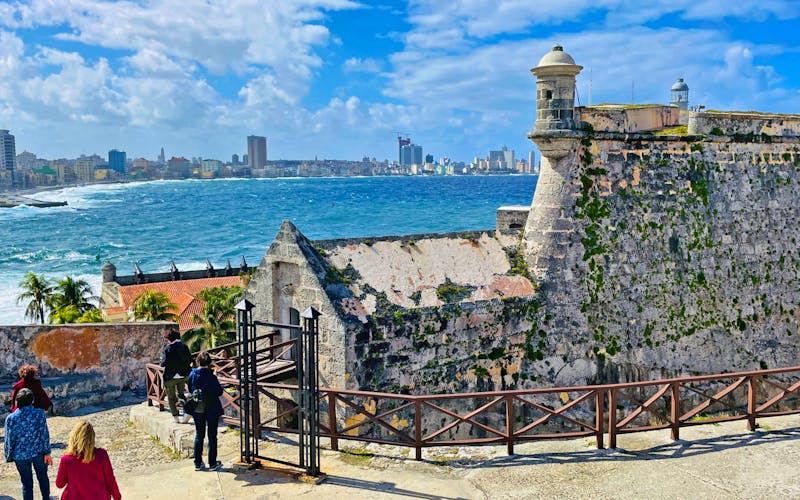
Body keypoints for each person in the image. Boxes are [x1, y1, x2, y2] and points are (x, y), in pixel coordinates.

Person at [4, 388, 52, 500]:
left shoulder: (10, 418)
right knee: (43, 477)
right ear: (32, 401)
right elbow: (44, 435)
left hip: (20, 455)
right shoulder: (39, 414)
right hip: (39, 453)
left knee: (26, 483)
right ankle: (46, 498)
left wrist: (9, 456)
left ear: (17, 401)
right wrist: (47, 452)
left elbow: (9, 440)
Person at [56, 420, 121, 500]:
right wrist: (117, 497)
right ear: (92, 438)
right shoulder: (102, 455)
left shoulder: (67, 459)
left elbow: (59, 484)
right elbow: (110, 480)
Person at [187, 351, 224, 471]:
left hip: (198, 408)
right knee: (212, 436)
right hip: (212, 407)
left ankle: (198, 463)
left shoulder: (192, 374)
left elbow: (189, 388)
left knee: (199, 435)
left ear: (198, 361)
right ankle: (212, 463)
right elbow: (219, 392)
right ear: (209, 363)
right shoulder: (211, 376)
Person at [160, 328, 192, 423]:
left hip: (171, 377)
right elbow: (190, 359)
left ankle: (175, 417)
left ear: (169, 339)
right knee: (181, 394)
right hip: (183, 375)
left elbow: (163, 363)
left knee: (171, 397)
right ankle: (187, 411)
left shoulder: (167, 348)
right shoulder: (184, 347)